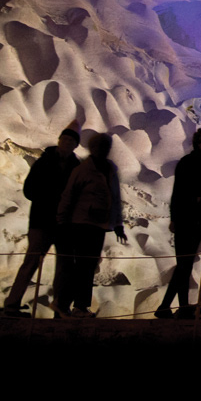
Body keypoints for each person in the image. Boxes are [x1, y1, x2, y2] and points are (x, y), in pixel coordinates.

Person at [2, 126, 81, 318]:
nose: (67, 143)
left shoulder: (75, 166)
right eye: (65, 139)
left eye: (71, 141)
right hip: (43, 222)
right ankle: (12, 304)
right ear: (60, 139)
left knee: (63, 267)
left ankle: (59, 308)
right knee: (31, 263)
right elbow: (29, 190)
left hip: (62, 225)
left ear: (75, 145)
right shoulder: (44, 162)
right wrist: (52, 198)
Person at [53, 133, 127, 318]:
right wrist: (62, 221)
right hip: (81, 223)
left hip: (98, 225)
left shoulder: (109, 169)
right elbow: (68, 196)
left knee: (88, 265)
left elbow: (115, 198)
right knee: (83, 265)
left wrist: (118, 224)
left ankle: (75, 305)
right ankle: (67, 304)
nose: (103, 150)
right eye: (101, 146)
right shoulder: (83, 170)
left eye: (105, 146)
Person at [157, 126, 201, 319]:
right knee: (184, 265)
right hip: (188, 218)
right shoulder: (190, 163)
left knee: (183, 264)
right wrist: (177, 216)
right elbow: (180, 193)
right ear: (199, 141)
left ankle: (180, 307)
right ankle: (166, 306)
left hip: (193, 219)